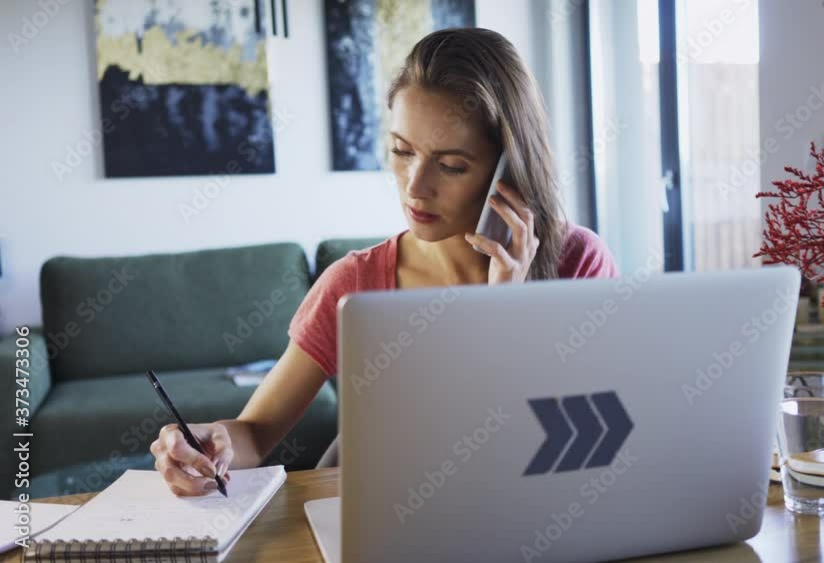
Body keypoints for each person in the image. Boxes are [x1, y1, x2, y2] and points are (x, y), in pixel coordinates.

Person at [150, 28, 618, 497]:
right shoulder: (354, 283)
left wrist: (503, 315)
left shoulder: (576, 264)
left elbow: (588, 441)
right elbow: (255, 432)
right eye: (401, 151)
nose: (415, 187)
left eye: (451, 165)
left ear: (508, 169)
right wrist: (208, 445)